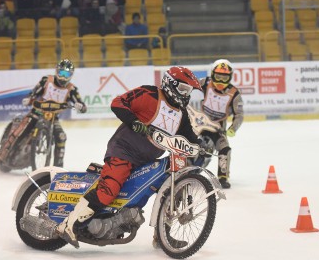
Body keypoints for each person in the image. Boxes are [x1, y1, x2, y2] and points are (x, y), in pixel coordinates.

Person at [56, 66, 206, 246]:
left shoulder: (181, 114)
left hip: (147, 161)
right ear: (170, 84)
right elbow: (118, 103)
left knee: (168, 190)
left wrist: (200, 145)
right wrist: (133, 121)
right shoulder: (150, 94)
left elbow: (189, 136)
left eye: (189, 91)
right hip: (123, 151)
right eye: (183, 89)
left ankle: (162, 236)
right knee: (109, 190)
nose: (186, 95)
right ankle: (68, 224)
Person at [0, 59, 86, 168]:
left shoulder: (72, 89)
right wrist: (29, 99)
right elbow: (33, 93)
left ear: (71, 75)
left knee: (61, 137)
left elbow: (82, 105)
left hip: (53, 118)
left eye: (67, 74)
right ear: (57, 71)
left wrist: (80, 107)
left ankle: (58, 168)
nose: (64, 77)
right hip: (36, 113)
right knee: (20, 131)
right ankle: (2, 156)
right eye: (62, 73)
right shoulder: (46, 80)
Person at [197, 59, 244, 189]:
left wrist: (233, 129)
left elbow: (239, 114)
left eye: (225, 78)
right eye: (218, 77)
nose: (220, 82)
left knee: (224, 149)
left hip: (218, 129)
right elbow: (191, 87)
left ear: (230, 77)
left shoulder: (234, 93)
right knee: (193, 145)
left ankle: (223, 177)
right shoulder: (205, 83)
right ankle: (186, 168)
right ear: (212, 75)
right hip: (199, 125)